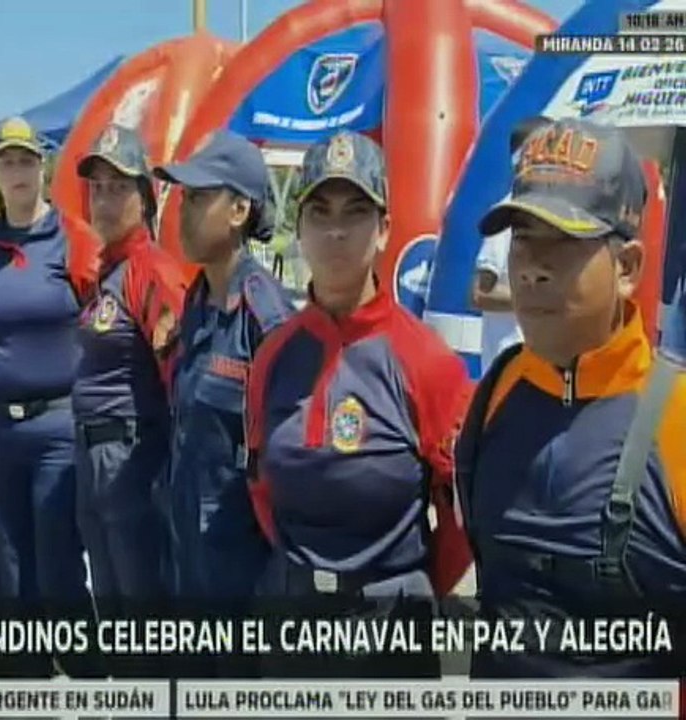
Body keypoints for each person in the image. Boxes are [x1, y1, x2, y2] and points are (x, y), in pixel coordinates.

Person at [456, 119, 686, 678]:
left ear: (627, 267)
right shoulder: (495, 395)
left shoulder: (676, 416)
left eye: (564, 241)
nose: (532, 267)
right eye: (524, 239)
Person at [245, 131, 473, 677]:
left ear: (385, 229)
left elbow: (460, 518)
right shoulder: (274, 354)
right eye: (319, 212)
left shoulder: (426, 361)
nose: (337, 231)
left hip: (390, 620)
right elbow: (259, 484)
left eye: (356, 211)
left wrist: (404, 588)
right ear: (298, 228)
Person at [0, 117, 93, 605]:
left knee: (58, 560)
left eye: (26, 161)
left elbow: (109, 329)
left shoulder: (74, 239)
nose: (17, 171)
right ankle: (26, 665)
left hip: (58, 426)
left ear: (42, 167)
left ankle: (80, 663)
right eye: (7, 162)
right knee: (8, 560)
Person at [153, 131, 295, 600]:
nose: (183, 211)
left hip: (241, 568)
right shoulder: (196, 300)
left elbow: (284, 457)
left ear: (239, 212)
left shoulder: (265, 316)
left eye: (198, 198)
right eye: (182, 197)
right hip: (186, 550)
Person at [73, 124, 187, 606]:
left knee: (142, 616)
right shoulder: (108, 269)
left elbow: (178, 378)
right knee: (113, 607)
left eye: (119, 188)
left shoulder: (151, 271)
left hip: (132, 460)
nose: (104, 200)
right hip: (96, 459)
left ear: (146, 196)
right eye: (97, 188)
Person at [471, 117, 550, 371]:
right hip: (506, 369)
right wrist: (531, 300)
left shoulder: (555, 219)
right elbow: (479, 294)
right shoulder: (504, 219)